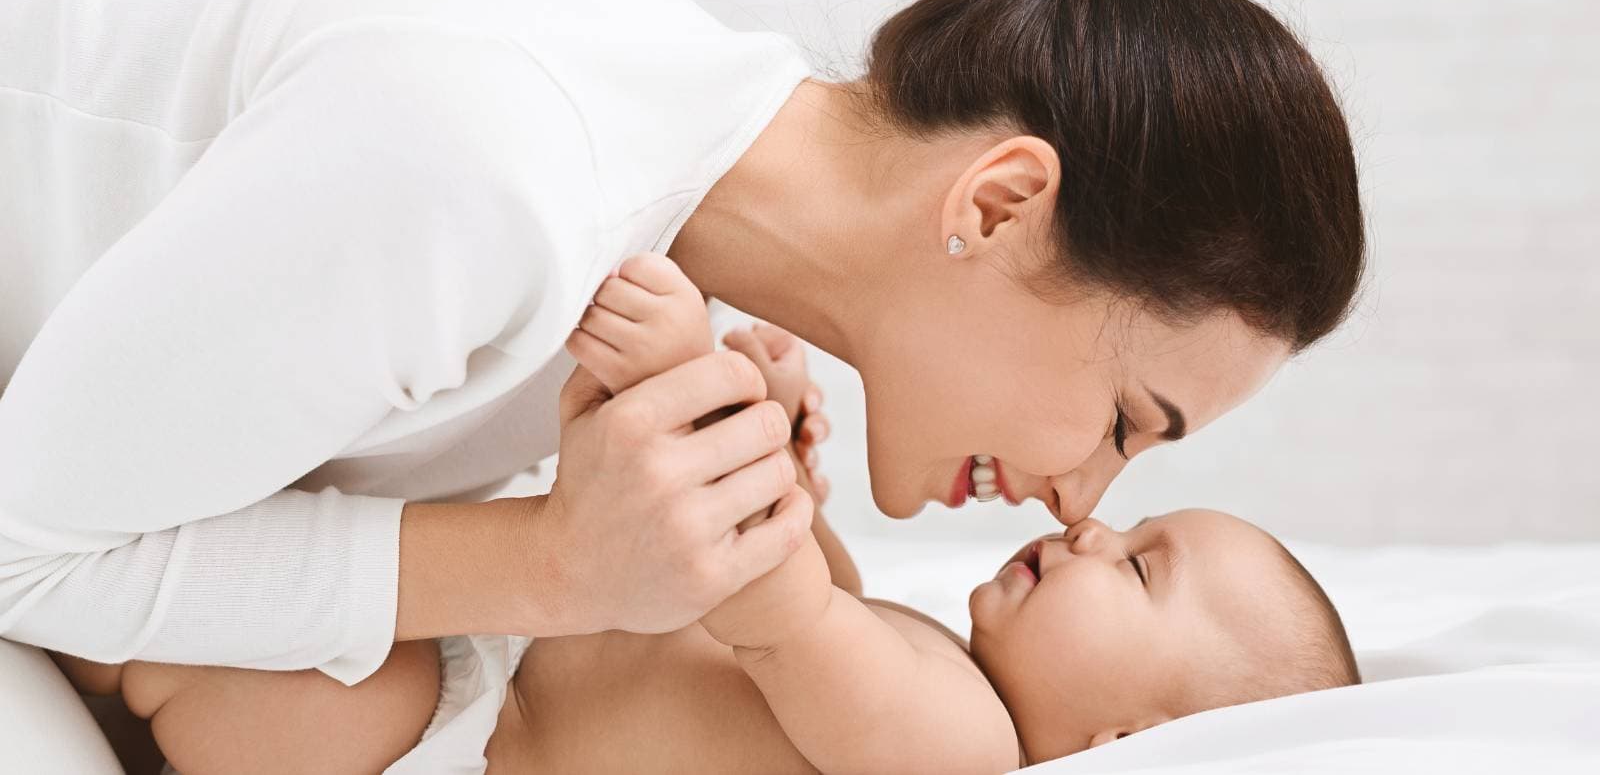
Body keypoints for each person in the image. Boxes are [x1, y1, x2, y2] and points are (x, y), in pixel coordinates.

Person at [0, 0, 1364, 713]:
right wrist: (559, 566)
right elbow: (20, 550)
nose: (1084, 498)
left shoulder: (650, 187)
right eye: (1129, 420)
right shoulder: (500, 170)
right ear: (998, 205)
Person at [55, 254, 1359, 773]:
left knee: (313, 690)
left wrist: (697, 385)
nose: (1090, 527)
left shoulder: (960, 755)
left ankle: (100, 657)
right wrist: (780, 449)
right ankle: (99, 617)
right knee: (328, 583)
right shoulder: (936, 662)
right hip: (502, 654)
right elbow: (806, 582)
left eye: (1136, 573)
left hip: (457, 742)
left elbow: (775, 609)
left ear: (1124, 742)